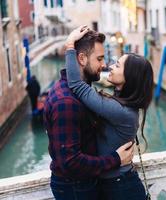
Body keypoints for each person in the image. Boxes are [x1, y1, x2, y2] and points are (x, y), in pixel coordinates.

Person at [43, 26, 134, 200]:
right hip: (77, 188)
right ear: (82, 58)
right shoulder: (66, 103)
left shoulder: (79, 93)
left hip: (84, 185)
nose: (104, 64)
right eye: (99, 59)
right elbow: (70, 163)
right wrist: (115, 159)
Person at [65, 26, 154, 200]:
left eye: (117, 65)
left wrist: (69, 46)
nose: (110, 66)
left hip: (121, 187)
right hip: (115, 184)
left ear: (129, 76)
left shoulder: (121, 111)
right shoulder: (121, 105)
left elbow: (76, 84)